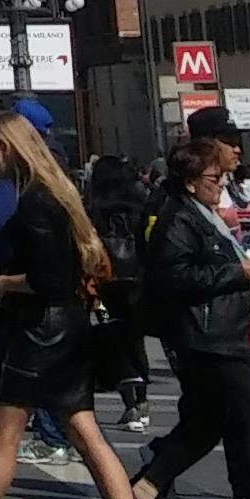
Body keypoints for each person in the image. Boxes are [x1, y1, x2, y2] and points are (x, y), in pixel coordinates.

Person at [0, 113, 150, 499]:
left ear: (6, 148)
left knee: (1, 436)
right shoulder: (57, 189)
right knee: (85, 432)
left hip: (41, 330)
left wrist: (5, 284)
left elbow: (50, 277)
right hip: (68, 324)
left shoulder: (33, 199)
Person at [126, 139, 250, 499]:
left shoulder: (200, 214)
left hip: (220, 333)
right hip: (208, 338)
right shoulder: (178, 219)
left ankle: (145, 489)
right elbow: (173, 277)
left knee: (207, 423)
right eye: (213, 177)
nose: (221, 182)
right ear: (191, 182)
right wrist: (236, 273)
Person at [86, 153, 155, 426]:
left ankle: (130, 402)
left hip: (104, 286)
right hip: (137, 285)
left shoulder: (95, 209)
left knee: (110, 331)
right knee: (135, 338)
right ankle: (142, 399)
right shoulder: (139, 205)